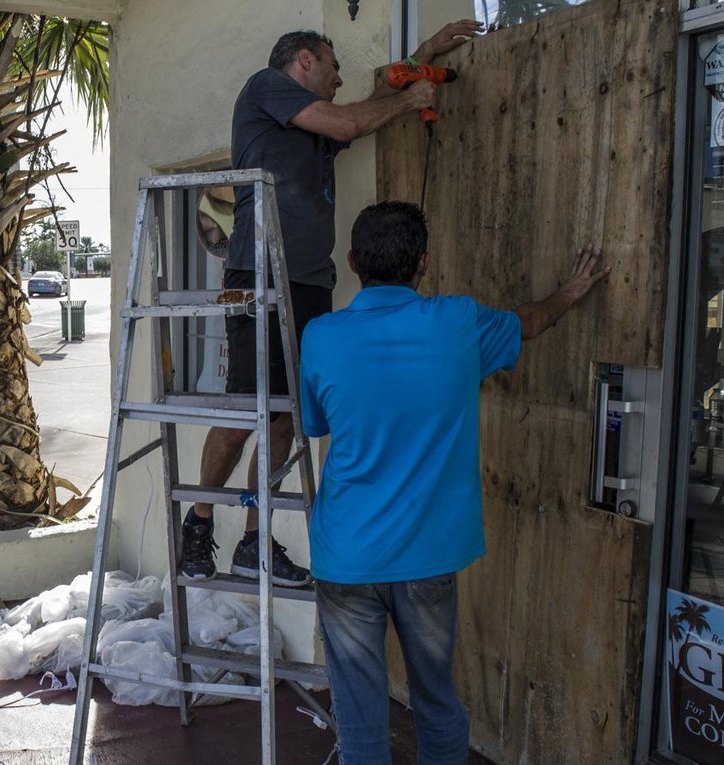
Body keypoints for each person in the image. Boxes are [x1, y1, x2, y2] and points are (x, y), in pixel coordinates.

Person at [298, 202, 611, 763]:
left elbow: (316, 423)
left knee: (360, 720)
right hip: (428, 560)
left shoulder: (320, 337)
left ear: (351, 261)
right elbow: (531, 320)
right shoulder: (460, 324)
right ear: (423, 262)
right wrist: (570, 291)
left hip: (346, 557)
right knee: (438, 706)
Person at [181, 21, 484, 587]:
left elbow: (366, 110)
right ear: (302, 61)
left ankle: (254, 540)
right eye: (332, 66)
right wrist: (412, 96)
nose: (341, 78)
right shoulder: (264, 88)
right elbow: (352, 118)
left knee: (283, 422)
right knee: (242, 416)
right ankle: (198, 523)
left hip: (310, 283)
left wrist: (423, 57)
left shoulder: (316, 129)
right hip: (259, 276)